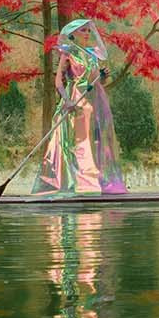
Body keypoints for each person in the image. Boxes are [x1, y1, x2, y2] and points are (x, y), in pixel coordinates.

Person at [30, 18, 129, 195]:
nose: (87, 34)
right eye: (83, 31)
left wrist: (102, 76)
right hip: (75, 102)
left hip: (92, 102)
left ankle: (93, 180)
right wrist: (67, 100)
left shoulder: (93, 55)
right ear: (73, 34)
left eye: (88, 31)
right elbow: (58, 81)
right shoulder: (68, 53)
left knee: (93, 142)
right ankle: (76, 182)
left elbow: (95, 80)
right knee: (75, 143)